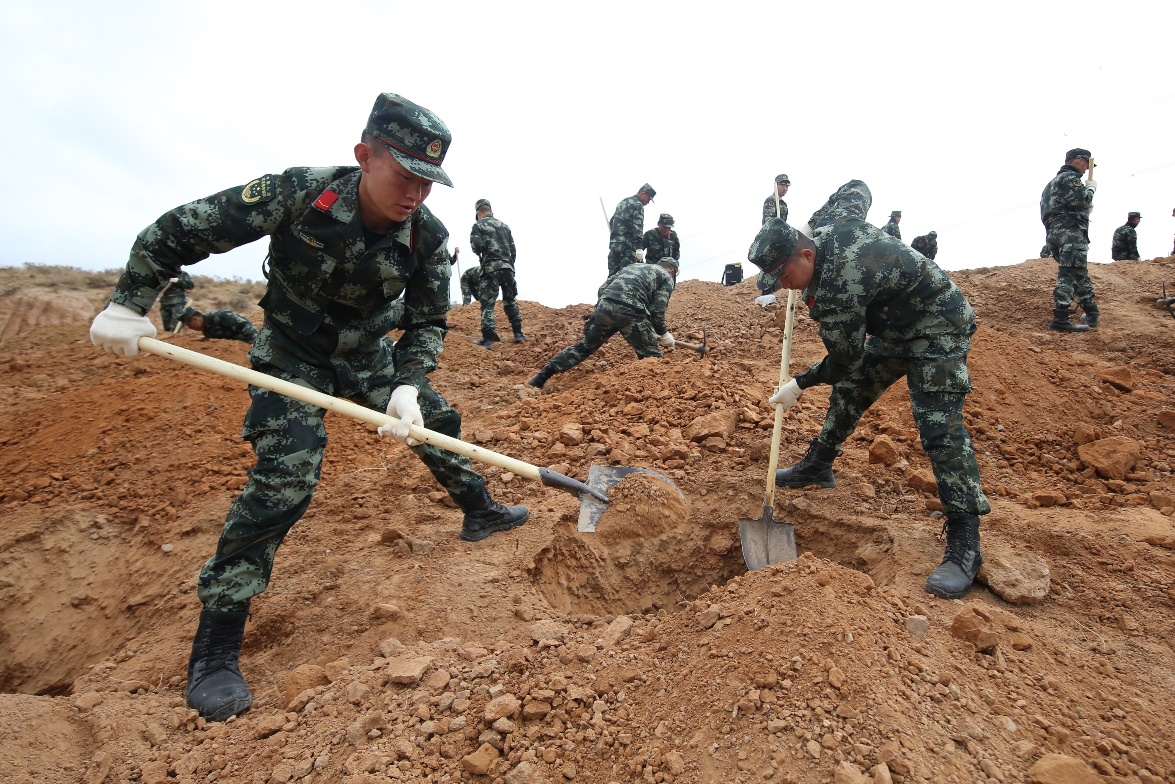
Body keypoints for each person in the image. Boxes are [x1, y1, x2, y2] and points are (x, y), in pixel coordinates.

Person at [87, 93, 528, 725]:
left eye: (428, 183)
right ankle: (215, 649)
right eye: (404, 175)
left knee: (436, 421)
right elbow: (184, 227)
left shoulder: (426, 237)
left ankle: (479, 511)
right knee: (284, 482)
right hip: (290, 354)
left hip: (369, 355)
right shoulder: (298, 193)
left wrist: (408, 381)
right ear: (363, 156)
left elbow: (430, 319)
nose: (415, 194)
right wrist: (130, 299)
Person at [748, 180, 988, 600]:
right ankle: (818, 464)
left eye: (786, 275)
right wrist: (811, 221)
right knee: (852, 392)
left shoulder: (842, 288)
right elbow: (856, 188)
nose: (785, 286)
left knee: (938, 428)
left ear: (807, 253)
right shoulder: (829, 224)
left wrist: (800, 383)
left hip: (937, 325)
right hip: (894, 325)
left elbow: (843, 361)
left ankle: (965, 544)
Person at [527, 257, 678, 388]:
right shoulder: (666, 277)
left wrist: (604, 309)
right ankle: (658, 394)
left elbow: (603, 288)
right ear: (672, 271)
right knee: (650, 355)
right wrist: (663, 333)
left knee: (584, 347)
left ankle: (540, 377)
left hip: (605, 306)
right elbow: (657, 311)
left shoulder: (632, 266)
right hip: (631, 311)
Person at [1041, 148, 1097, 331]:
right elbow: (1082, 202)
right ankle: (1061, 318)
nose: (1086, 171)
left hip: (1053, 235)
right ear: (1080, 161)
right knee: (1069, 273)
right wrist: (1090, 189)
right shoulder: (1070, 179)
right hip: (1071, 232)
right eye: (1087, 166)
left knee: (1077, 272)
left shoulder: (1050, 184)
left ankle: (1091, 312)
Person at [469, 199, 525, 346]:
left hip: (490, 268)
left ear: (478, 213)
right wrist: (508, 264)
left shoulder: (478, 224)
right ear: (490, 210)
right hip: (508, 268)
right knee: (510, 301)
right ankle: (518, 334)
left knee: (487, 304)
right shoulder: (505, 226)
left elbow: (476, 247)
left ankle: (487, 340)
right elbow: (513, 250)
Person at [607, 184, 655, 277]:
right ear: (643, 194)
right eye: (649, 199)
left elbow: (612, 221)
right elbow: (638, 227)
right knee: (627, 276)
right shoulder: (638, 205)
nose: (648, 202)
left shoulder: (623, 202)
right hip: (627, 247)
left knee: (613, 277)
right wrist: (639, 248)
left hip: (614, 245)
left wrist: (616, 234)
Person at [177, 307, 258, 344]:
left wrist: (256, 344)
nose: (189, 327)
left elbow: (245, 326)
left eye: (188, 324)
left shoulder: (220, 316)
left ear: (195, 319)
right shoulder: (206, 329)